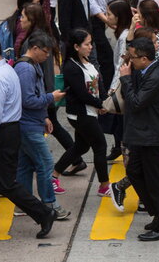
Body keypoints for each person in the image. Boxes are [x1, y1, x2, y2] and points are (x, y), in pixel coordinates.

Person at [0, 35, 57, 238]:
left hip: (2, 134)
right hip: (3, 131)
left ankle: (44, 213)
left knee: (5, 183)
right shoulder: (3, 70)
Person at [119, 37, 159, 241]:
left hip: (154, 138)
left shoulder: (156, 77)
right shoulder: (143, 71)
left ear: (144, 58)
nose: (130, 61)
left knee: (157, 183)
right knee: (134, 172)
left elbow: (135, 103)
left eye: (132, 58)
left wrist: (125, 79)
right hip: (143, 135)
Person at [14, 32, 70, 220]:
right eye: (45, 52)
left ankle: (24, 204)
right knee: (45, 164)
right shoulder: (26, 69)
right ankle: (50, 205)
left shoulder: (31, 66)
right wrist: (50, 98)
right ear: (35, 48)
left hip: (31, 123)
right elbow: (28, 99)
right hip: (27, 126)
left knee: (25, 166)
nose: (47, 57)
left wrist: (44, 117)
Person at [53, 29, 110, 196]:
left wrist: (104, 100)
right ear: (77, 46)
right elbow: (82, 94)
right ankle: (104, 185)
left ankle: (53, 176)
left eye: (91, 43)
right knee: (100, 146)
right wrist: (101, 104)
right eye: (87, 44)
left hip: (90, 111)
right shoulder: (71, 67)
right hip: (80, 114)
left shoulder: (87, 61)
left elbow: (97, 85)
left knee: (81, 147)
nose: (90, 47)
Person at [105, 0, 134, 159]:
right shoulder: (123, 32)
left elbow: (121, 64)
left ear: (118, 17)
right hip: (122, 80)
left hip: (121, 81)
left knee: (119, 118)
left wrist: (113, 86)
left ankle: (122, 148)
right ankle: (118, 147)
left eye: (109, 14)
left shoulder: (124, 37)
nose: (107, 16)